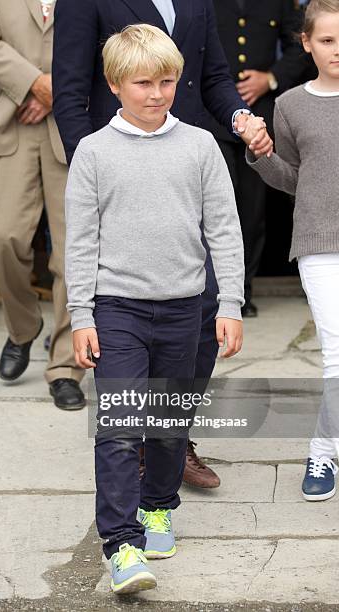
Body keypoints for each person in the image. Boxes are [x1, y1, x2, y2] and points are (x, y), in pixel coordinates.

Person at [52, 0, 272, 490]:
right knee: (128, 326)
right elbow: (69, 94)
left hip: (188, 162)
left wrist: (239, 118)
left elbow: (214, 77)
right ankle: (140, 449)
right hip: (120, 170)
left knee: (207, 306)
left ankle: (172, 438)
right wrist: (98, 173)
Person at [65, 24, 248, 594]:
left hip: (187, 309)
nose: (157, 93)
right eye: (143, 82)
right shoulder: (93, 153)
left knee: (168, 425)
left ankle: (159, 506)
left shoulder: (199, 146)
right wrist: (81, 315)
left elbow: (224, 230)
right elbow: (80, 242)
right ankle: (121, 544)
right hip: (117, 309)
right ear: (116, 84)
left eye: (167, 81)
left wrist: (232, 303)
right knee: (120, 429)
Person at [0, 0, 85, 410]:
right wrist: (35, 83)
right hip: (7, 116)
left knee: (75, 254)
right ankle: (22, 328)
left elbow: (107, 37)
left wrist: (59, 92)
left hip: (72, 120)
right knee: (2, 238)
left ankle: (66, 367)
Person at [245, 0, 339, 501]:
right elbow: (293, 179)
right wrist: (260, 157)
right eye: (327, 40)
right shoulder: (291, 105)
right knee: (336, 357)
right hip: (321, 243)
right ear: (305, 43)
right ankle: (322, 454)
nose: (337, 49)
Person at [208, 0, 311, 317]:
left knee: (252, 212)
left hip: (260, 116)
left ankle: (244, 291)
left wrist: (271, 78)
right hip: (212, 118)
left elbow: (300, 43)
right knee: (216, 208)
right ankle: (216, 293)